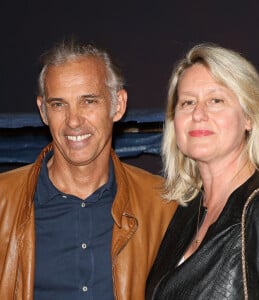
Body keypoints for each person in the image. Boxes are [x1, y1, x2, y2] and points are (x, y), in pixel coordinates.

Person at [0, 40, 177, 300]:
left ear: (118, 104)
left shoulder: (162, 205)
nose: (73, 121)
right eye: (59, 104)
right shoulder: (3, 201)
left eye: (88, 101)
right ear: (43, 111)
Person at [146, 43, 259, 299]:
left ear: (249, 117)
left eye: (216, 100)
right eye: (187, 102)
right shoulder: (189, 209)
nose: (198, 114)